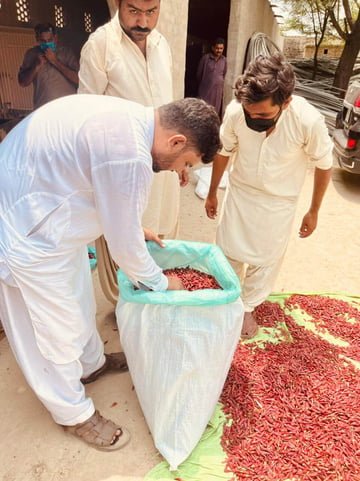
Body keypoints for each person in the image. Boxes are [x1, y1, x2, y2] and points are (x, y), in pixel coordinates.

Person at [0, 95, 220, 451]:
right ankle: (73, 413)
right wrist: (162, 282)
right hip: (28, 228)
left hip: (51, 216)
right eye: (185, 162)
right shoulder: (129, 153)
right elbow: (125, 250)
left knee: (78, 301)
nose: (177, 171)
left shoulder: (133, 120)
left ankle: (91, 365)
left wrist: (132, 226)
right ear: (176, 141)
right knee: (53, 329)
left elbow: (111, 201)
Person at [205, 53, 333, 340]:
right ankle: (226, 299)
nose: (254, 118)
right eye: (250, 112)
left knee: (265, 258)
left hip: (279, 202)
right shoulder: (239, 111)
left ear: (285, 103)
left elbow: (325, 164)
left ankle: (247, 307)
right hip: (240, 193)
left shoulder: (307, 121)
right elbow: (224, 151)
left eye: (262, 115)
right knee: (227, 250)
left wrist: (313, 211)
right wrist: (213, 192)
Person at [78, 0, 183, 303]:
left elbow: (171, 105)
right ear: (118, 4)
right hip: (121, 170)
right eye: (134, 10)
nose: (143, 22)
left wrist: (180, 158)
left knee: (161, 237)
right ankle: (126, 314)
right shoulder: (100, 45)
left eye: (151, 12)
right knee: (122, 243)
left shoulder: (162, 44)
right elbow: (87, 116)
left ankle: (154, 304)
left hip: (162, 168)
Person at [18, 23, 79, 110]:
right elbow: (23, 83)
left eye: (50, 40)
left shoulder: (66, 53)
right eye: (43, 41)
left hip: (67, 108)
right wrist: (36, 65)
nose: (47, 44)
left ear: (55, 38)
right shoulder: (31, 54)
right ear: (37, 39)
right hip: (43, 108)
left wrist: (55, 62)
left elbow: (78, 80)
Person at [196, 37, 227, 118]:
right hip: (205, 91)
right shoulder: (206, 58)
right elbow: (199, 74)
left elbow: (223, 74)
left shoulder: (224, 60)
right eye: (217, 48)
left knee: (214, 113)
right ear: (213, 48)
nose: (219, 50)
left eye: (221, 48)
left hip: (217, 93)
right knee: (203, 112)